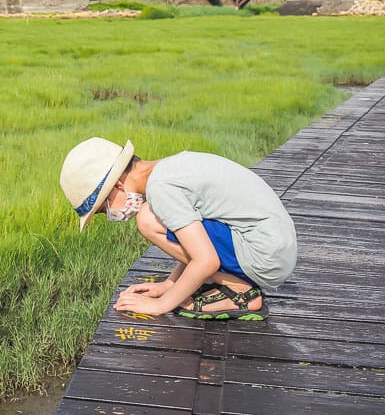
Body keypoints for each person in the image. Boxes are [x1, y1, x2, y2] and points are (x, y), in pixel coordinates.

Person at [59, 137, 297, 320]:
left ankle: (241, 291)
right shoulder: (171, 168)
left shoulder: (161, 189)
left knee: (148, 219)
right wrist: (169, 285)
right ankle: (228, 281)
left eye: (104, 209)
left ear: (118, 186)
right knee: (155, 217)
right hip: (274, 248)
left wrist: (160, 305)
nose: (111, 215)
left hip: (265, 257)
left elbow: (206, 260)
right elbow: (194, 237)